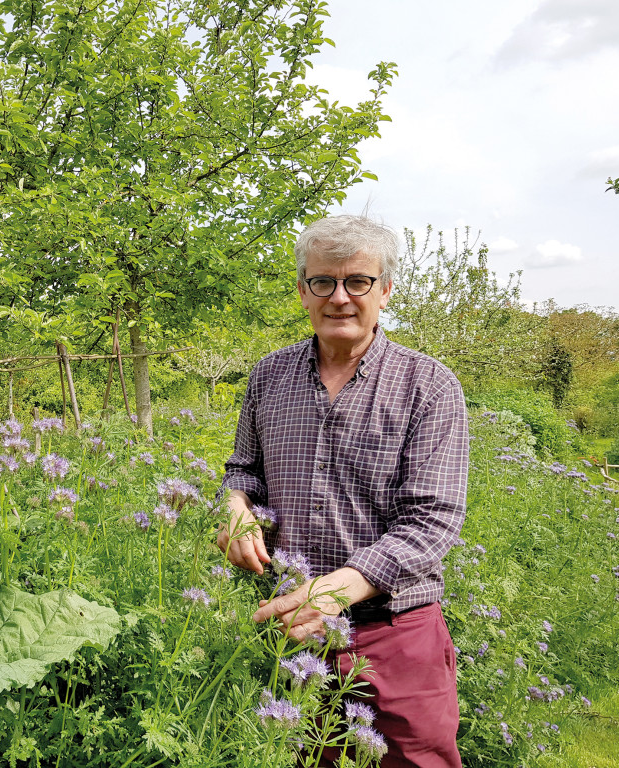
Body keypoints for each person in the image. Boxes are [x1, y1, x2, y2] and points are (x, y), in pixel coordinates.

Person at [217, 215, 468, 767]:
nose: (339, 297)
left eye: (357, 281)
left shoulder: (429, 385)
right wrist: (235, 506)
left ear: (386, 289)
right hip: (289, 629)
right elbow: (244, 470)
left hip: (392, 634)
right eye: (323, 281)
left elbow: (433, 520)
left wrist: (335, 592)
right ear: (302, 290)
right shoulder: (268, 376)